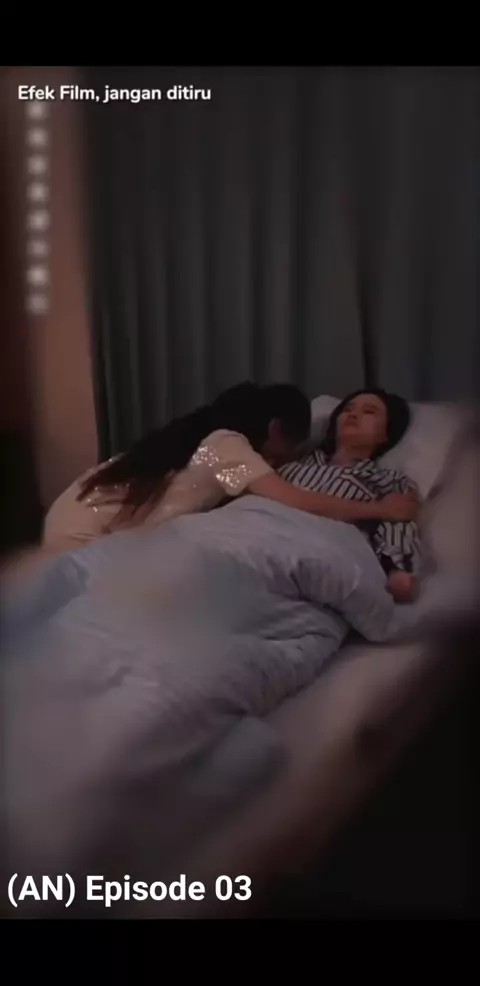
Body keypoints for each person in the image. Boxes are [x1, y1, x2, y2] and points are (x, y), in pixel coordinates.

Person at [42, 381, 418, 555]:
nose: (282, 461)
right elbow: (294, 500)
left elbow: (220, 488)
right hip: (79, 543)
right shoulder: (226, 448)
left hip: (68, 522)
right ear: (275, 431)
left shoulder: (209, 448)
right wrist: (381, 510)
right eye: (288, 450)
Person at [280, 388, 423, 603]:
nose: (353, 414)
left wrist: (396, 570)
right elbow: (239, 482)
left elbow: (399, 522)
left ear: (385, 434)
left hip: (312, 552)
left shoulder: (386, 481)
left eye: (369, 412)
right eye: (348, 409)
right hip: (253, 531)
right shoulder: (290, 463)